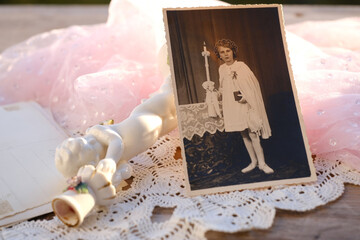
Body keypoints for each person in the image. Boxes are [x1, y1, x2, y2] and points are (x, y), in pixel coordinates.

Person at [214, 39, 274, 174]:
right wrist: (215, 94)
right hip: (233, 106)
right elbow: (223, 87)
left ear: (233, 51)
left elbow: (252, 86)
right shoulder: (221, 69)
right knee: (243, 134)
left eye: (228, 51)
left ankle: (262, 163)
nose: (225, 54)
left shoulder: (241, 66)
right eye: (222, 52)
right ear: (219, 55)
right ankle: (253, 162)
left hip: (245, 104)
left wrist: (246, 97)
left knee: (253, 134)